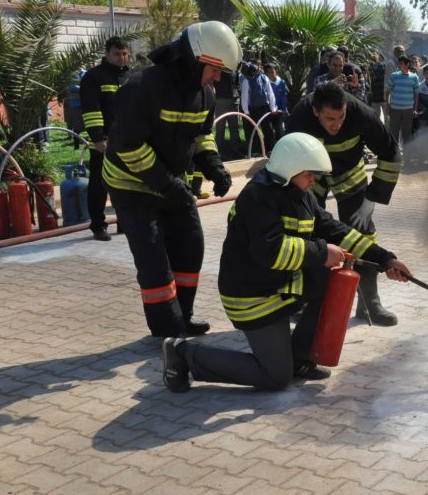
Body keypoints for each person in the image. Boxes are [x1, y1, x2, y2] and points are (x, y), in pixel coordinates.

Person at [160, 133, 411, 393]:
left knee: (330, 279)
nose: (314, 180)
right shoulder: (258, 196)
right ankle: (184, 355)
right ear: (289, 168)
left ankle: (300, 360)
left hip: (278, 285)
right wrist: (323, 252)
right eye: (309, 174)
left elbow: (336, 230)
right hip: (253, 296)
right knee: (275, 377)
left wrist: (385, 259)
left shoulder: (299, 193)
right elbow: (272, 252)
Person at [103, 21, 237, 338]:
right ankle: (166, 327)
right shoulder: (141, 89)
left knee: (191, 246)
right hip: (131, 186)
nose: (218, 77)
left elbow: (202, 137)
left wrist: (213, 166)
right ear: (193, 60)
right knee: (153, 261)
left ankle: (183, 316)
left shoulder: (203, 95)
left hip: (170, 185)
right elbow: (129, 148)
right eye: (215, 69)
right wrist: (168, 184)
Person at [285, 82, 403, 325]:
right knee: (306, 235)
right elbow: (289, 160)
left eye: (341, 117)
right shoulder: (299, 118)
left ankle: (369, 303)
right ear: (316, 111)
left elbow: (391, 152)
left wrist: (372, 197)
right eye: (329, 119)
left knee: (362, 235)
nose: (336, 125)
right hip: (311, 177)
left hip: (349, 174)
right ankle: (305, 300)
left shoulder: (362, 114)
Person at [79, 36, 130, 241]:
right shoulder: (94, 77)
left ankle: (123, 221)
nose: (121, 58)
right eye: (117, 54)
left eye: (125, 53)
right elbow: (91, 110)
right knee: (99, 185)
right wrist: (98, 139)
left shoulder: (130, 77)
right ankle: (98, 225)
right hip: (104, 140)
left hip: (128, 140)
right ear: (106, 54)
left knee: (125, 183)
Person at [240, 59, 278, 156]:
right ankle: (255, 151)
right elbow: (245, 96)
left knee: (268, 129)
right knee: (252, 130)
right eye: (254, 65)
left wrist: (273, 107)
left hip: (264, 107)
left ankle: (269, 149)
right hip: (252, 108)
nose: (256, 68)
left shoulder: (264, 77)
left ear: (260, 67)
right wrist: (246, 110)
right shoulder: (246, 79)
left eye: (258, 66)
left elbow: (270, 93)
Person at [384, 54, 420, 145]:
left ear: (407, 64)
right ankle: (394, 155)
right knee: (393, 133)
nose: (399, 65)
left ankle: (406, 155)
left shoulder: (414, 77)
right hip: (395, 109)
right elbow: (387, 91)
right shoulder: (394, 76)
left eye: (401, 63)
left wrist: (415, 109)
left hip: (408, 110)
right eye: (398, 63)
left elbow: (416, 94)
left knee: (406, 134)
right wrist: (387, 105)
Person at [264, 63, 288, 138]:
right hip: (269, 110)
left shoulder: (281, 82)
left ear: (276, 71)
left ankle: (280, 145)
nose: (271, 74)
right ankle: (269, 147)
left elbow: (283, 96)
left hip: (279, 111)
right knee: (269, 130)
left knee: (280, 129)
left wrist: (285, 108)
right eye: (268, 72)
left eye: (272, 71)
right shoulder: (265, 83)